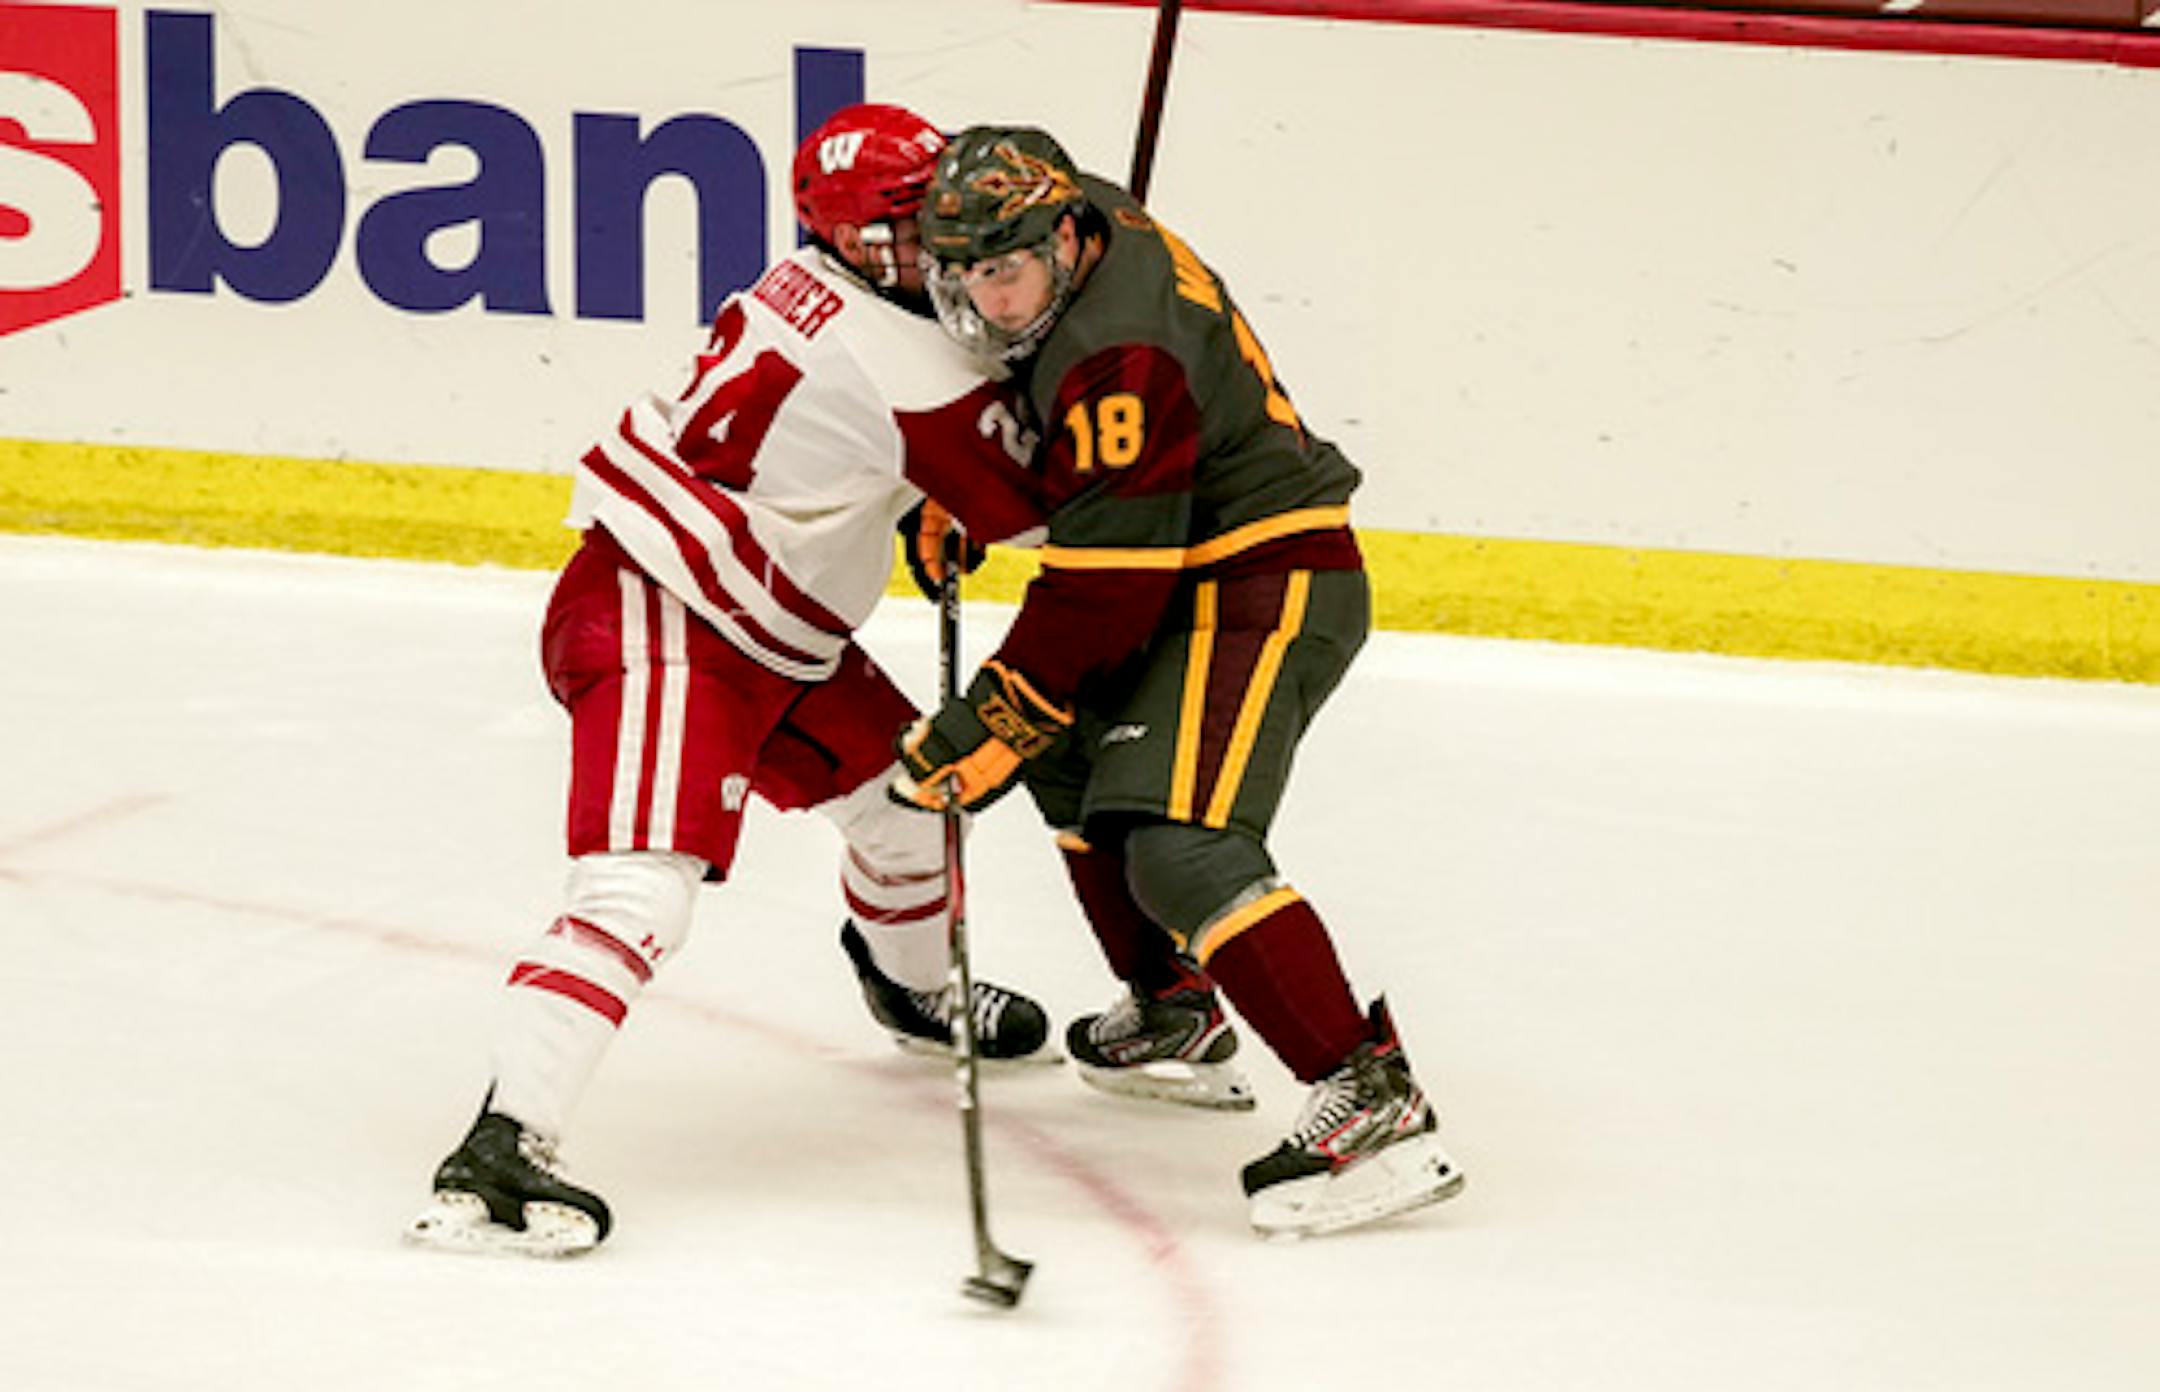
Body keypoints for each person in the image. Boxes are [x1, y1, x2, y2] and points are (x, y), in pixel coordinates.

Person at [406, 104, 1055, 1258]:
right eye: (903, 226)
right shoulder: (906, 352)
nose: (934, 241)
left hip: (767, 625)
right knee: (637, 895)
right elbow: (1040, 502)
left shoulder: (820, 285)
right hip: (673, 620)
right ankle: (502, 1151)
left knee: (912, 803)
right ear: (849, 241)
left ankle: (913, 991)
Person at [893, 125, 1466, 1238]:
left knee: (1180, 843)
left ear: (1064, 239)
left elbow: (1106, 589)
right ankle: (1173, 1010)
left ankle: (1373, 1095)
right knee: (1070, 758)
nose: (980, 306)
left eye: (1002, 275)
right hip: (1179, 560)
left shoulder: (1122, 357)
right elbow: (1090, 474)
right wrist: (978, 493)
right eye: (957, 277)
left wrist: (995, 715)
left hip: (1266, 574)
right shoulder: (1081, 219)